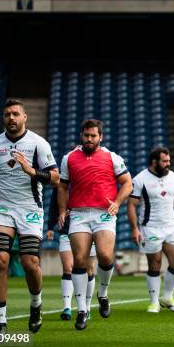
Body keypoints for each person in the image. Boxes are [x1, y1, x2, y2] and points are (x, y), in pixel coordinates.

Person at [0, 99, 60, 334]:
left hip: (30, 209)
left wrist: (32, 171)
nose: (11, 118)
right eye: (7, 115)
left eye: (16, 114)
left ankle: (36, 304)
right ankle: (1, 321)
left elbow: (55, 179)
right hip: (3, 207)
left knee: (30, 263)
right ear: (3, 119)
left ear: (25, 117)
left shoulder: (38, 144)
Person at [58, 119, 133, 330]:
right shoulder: (69, 158)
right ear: (81, 135)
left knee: (105, 255)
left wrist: (117, 202)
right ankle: (82, 309)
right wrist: (63, 210)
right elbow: (62, 187)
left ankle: (103, 292)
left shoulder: (112, 157)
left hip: (104, 213)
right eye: (86, 135)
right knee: (79, 260)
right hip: (79, 214)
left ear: (101, 136)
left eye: (93, 136)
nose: (89, 139)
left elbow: (128, 182)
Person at [128, 146, 174, 313]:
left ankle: (167, 298)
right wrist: (134, 229)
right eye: (165, 161)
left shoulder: (173, 177)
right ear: (154, 162)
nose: (168, 164)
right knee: (155, 264)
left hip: (170, 226)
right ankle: (154, 302)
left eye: (169, 161)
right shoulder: (140, 179)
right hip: (150, 228)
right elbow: (131, 205)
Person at [46, 188, 97, 321]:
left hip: (88, 230)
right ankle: (67, 307)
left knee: (89, 269)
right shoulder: (61, 184)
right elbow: (53, 205)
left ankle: (87, 307)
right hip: (67, 230)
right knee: (68, 267)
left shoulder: (89, 179)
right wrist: (50, 227)